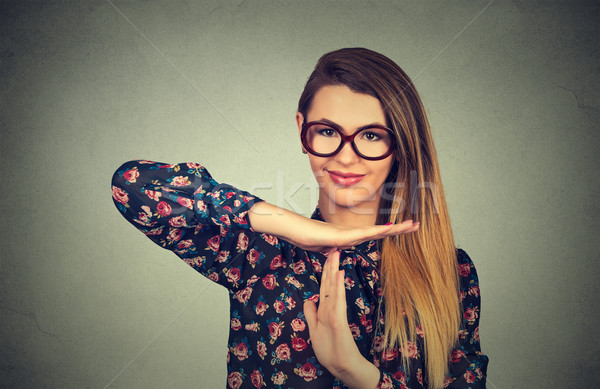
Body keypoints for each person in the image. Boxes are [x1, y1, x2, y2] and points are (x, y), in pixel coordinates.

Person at [111, 47, 488, 388]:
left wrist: (355, 373)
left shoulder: (451, 272)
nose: (345, 156)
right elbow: (132, 185)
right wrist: (291, 226)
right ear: (301, 130)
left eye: (371, 136)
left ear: (400, 144)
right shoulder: (258, 252)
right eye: (327, 131)